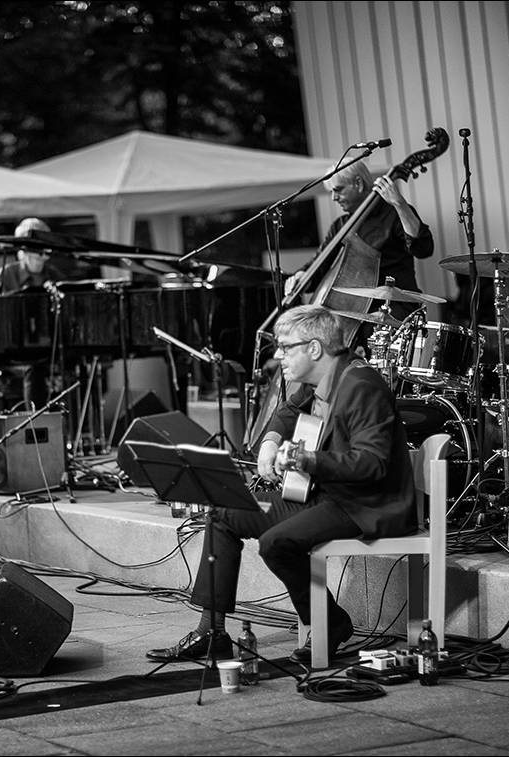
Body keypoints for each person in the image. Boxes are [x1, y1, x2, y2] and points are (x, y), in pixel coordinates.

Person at [146, 305, 417, 666]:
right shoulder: (321, 381)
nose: (278, 355)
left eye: (287, 347)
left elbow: (373, 463)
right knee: (226, 511)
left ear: (315, 349)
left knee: (277, 544)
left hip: (366, 505)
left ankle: (330, 623)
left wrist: (307, 461)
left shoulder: (361, 385)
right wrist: (271, 443)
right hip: (327, 496)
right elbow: (287, 413)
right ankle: (212, 631)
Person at [290, 161, 436, 344]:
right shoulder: (341, 226)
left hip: (393, 307)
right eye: (332, 192)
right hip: (351, 311)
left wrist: (399, 204)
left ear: (358, 184)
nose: (334, 198)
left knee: (373, 333)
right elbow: (319, 264)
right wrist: (301, 275)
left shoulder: (394, 214)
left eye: (339, 190)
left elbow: (423, 248)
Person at [0, 217, 62, 294]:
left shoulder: (55, 274)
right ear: (23, 247)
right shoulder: (7, 274)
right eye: (35, 244)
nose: (42, 249)